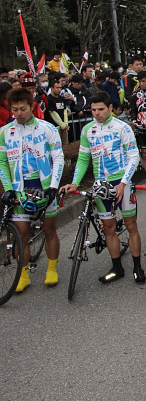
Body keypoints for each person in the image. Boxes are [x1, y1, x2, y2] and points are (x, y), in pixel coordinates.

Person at [61, 92, 145, 283]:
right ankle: (117, 268)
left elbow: (133, 156)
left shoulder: (122, 127)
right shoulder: (87, 130)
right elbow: (83, 159)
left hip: (122, 181)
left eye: (101, 109)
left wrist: (124, 183)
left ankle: (137, 266)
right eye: (93, 110)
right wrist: (75, 182)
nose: (97, 113)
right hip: (101, 184)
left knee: (131, 225)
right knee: (108, 227)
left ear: (109, 108)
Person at [0, 87, 64, 292]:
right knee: (22, 234)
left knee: (49, 229)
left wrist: (53, 186)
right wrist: (8, 188)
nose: (18, 113)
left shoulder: (47, 128)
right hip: (19, 187)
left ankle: (52, 269)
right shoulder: (4, 132)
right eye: (14, 109)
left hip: (43, 185)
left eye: (23, 109)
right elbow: (2, 162)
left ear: (32, 107)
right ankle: (23, 274)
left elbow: (58, 158)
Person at [45, 77, 70, 146]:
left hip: (64, 127)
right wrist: (62, 125)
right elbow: (53, 113)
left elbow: (65, 111)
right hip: (54, 127)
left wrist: (66, 124)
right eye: (57, 88)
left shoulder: (61, 98)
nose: (59, 90)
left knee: (65, 145)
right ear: (52, 88)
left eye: (60, 88)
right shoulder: (48, 99)